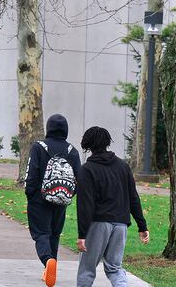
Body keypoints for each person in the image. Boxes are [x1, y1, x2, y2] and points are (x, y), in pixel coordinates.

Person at [75, 126, 149, 287]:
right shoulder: (123, 166)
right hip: (121, 224)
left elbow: (85, 204)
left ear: (87, 145)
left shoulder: (87, 170)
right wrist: (142, 226)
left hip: (98, 224)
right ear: (107, 142)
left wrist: (82, 234)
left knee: (87, 269)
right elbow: (133, 197)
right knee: (114, 268)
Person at [25, 114, 81, 287]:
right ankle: (50, 268)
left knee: (41, 234)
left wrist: (30, 194)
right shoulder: (72, 150)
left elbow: (31, 173)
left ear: (48, 128)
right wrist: (68, 195)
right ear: (65, 130)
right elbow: (79, 178)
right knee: (54, 234)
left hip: (39, 200)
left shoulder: (38, 147)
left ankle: (48, 261)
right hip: (61, 200)